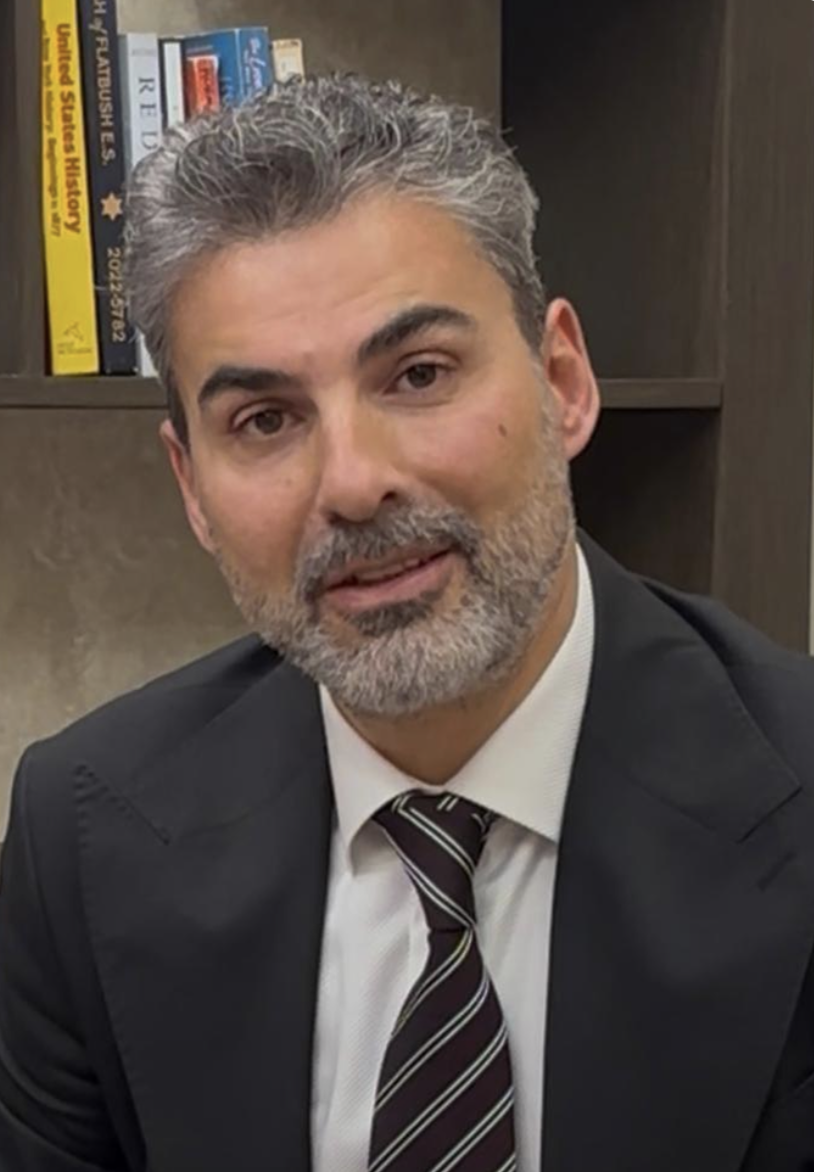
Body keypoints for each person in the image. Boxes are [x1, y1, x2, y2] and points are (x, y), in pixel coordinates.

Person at [2, 72, 814, 1172]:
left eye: (419, 374)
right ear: (190, 486)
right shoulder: (82, 833)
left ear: (562, 382)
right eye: (264, 420)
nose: (352, 482)